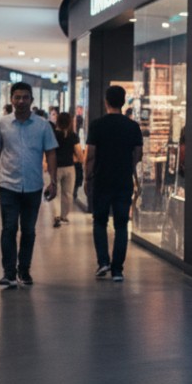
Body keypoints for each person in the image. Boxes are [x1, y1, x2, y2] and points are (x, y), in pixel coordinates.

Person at [0, 83, 58, 288]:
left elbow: (51, 152)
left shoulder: (43, 125)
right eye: (17, 97)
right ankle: (8, 272)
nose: (21, 101)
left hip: (34, 186)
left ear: (31, 100)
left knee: (28, 230)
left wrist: (53, 181)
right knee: (9, 228)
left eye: (25, 97)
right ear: (11, 99)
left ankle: (24, 270)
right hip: (8, 184)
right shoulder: (2, 124)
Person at [85, 85, 142, 282]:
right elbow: (138, 154)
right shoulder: (132, 126)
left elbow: (90, 155)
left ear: (106, 101)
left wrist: (86, 178)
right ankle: (117, 270)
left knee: (99, 222)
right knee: (121, 225)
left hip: (101, 180)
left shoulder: (97, 125)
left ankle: (103, 262)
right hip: (123, 181)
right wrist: (130, 169)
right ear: (123, 101)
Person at [52, 111, 83, 228]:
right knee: (68, 193)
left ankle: (56, 216)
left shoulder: (53, 134)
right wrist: (76, 159)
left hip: (55, 168)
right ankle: (64, 216)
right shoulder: (73, 136)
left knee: (56, 193)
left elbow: (49, 151)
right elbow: (79, 154)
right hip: (69, 167)